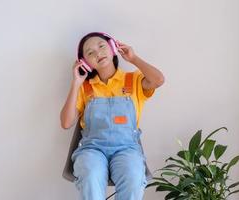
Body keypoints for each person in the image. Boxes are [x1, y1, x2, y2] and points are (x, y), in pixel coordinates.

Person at [60, 32, 165, 200]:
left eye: (101, 46)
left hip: (127, 149)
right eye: (90, 53)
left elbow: (159, 80)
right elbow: (66, 123)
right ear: (85, 63)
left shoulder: (133, 80)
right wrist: (76, 82)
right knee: (90, 173)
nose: (98, 53)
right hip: (92, 150)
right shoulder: (84, 88)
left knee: (133, 175)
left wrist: (134, 59)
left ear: (113, 47)